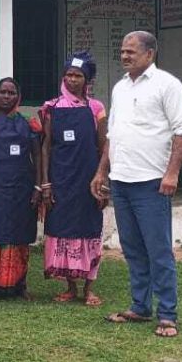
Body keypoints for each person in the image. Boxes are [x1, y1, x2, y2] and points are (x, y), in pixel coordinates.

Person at [93, 31, 182, 338]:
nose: (125, 56)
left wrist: (172, 174)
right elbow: (112, 135)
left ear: (150, 54)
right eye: (123, 51)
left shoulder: (167, 85)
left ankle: (167, 315)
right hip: (121, 181)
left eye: (131, 51)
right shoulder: (120, 87)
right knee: (133, 249)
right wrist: (102, 172)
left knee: (158, 250)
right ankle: (140, 306)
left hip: (151, 182)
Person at [40, 51, 109, 307]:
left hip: (88, 181)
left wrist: (103, 180)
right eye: (68, 74)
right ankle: (70, 287)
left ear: (86, 80)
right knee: (63, 231)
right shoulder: (52, 108)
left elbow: (104, 146)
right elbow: (46, 147)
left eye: (78, 75)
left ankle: (89, 288)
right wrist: (46, 183)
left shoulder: (96, 109)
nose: (72, 79)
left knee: (89, 230)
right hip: (61, 180)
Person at [0, 78, 42, 299]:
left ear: (18, 97)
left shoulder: (29, 123)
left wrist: (38, 187)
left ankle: (19, 284)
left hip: (22, 190)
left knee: (19, 233)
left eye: (11, 93)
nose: (6, 96)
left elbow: (38, 155)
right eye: (2, 92)